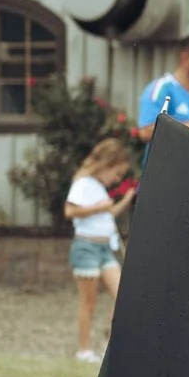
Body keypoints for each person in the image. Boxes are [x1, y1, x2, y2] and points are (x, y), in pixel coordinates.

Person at [65, 137, 135, 363]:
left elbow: (107, 213)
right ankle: (84, 350)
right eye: (116, 173)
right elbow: (70, 211)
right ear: (106, 164)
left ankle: (108, 341)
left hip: (105, 249)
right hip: (87, 248)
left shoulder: (98, 188)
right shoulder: (83, 183)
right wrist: (97, 207)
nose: (117, 179)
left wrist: (126, 199)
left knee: (123, 296)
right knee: (89, 302)